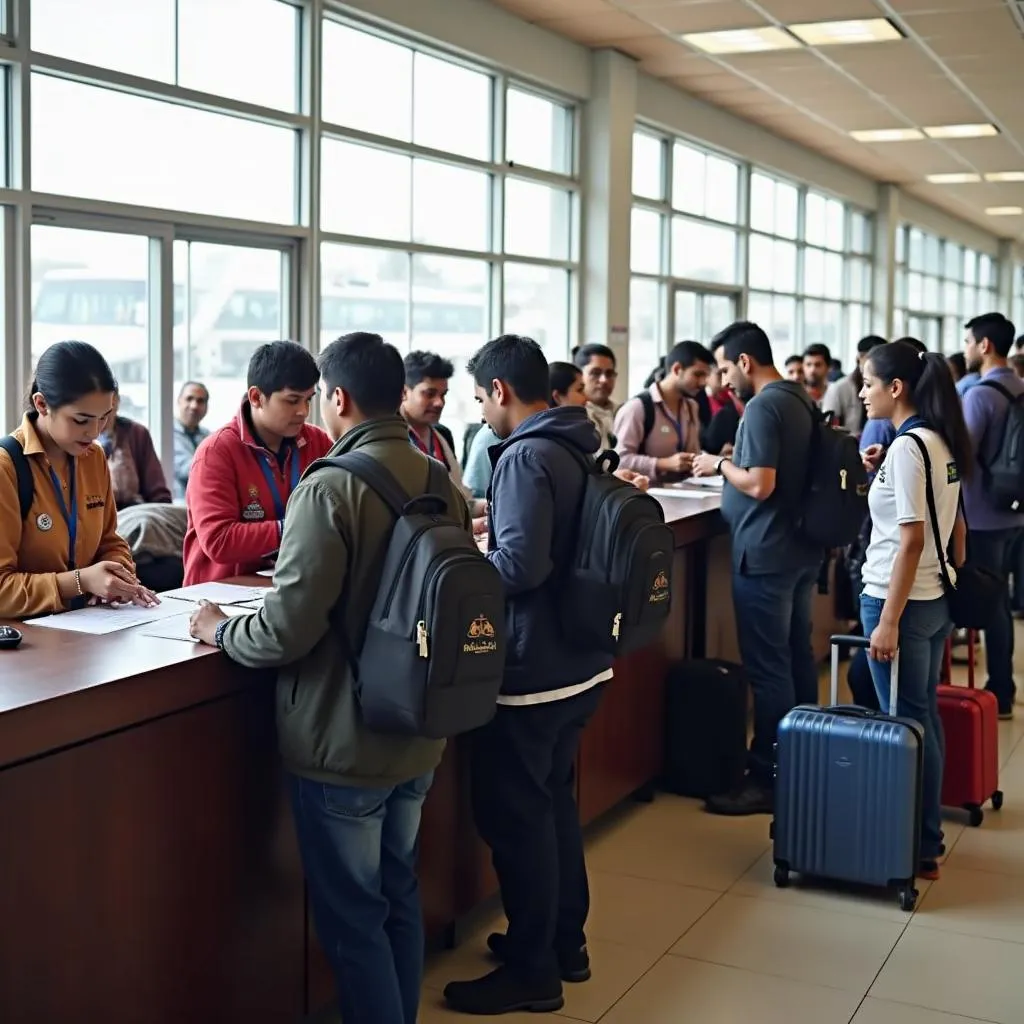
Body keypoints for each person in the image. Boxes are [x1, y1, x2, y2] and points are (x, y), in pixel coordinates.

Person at [189, 332, 472, 1024]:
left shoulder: (334, 485)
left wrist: (221, 629)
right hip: (419, 728)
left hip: (343, 743)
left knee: (353, 921)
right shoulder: (441, 478)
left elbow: (287, 627)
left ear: (338, 398)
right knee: (397, 896)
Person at [443, 335, 611, 1016]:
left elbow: (519, 568)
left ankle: (534, 968)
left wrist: (457, 566)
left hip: (533, 667)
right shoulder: (578, 438)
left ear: (501, 390)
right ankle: (563, 942)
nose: (481, 412)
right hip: (580, 661)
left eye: (480, 397)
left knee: (516, 817)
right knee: (552, 808)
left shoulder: (524, 456)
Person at [691, 322, 821, 816]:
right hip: (798, 550)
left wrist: (717, 465)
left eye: (725, 368)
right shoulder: (799, 397)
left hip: (766, 555)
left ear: (745, 362)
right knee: (795, 660)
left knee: (769, 671)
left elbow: (761, 484)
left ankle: (768, 778)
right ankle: (804, 762)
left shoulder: (766, 405)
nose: (724, 380)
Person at [858, 341, 970, 879]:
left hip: (896, 599)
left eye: (868, 383)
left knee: (904, 724)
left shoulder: (908, 449)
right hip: (935, 598)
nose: (862, 392)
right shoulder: (936, 442)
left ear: (895, 387)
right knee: (922, 715)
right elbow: (959, 533)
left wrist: (887, 620)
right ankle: (928, 837)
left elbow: (909, 540)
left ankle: (916, 843)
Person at [0, 341, 158, 619]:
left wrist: (116, 573)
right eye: (81, 420)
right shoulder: (7, 467)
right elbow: (2, 590)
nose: (95, 432)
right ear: (42, 404)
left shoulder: (93, 457)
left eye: (104, 418)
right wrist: (80, 582)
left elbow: (110, 541)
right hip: (25, 645)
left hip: (88, 631)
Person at [182, 341, 333, 585]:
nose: (303, 411)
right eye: (292, 400)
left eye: (309, 400)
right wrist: (293, 529)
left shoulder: (317, 442)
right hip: (219, 597)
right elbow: (218, 540)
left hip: (290, 588)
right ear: (256, 397)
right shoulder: (216, 452)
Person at [960, 312, 1022, 719]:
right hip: (1014, 512)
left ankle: (999, 687)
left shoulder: (981, 395)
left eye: (968, 341)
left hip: (983, 516)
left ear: (984, 345)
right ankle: (1002, 683)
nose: (965, 348)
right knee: (999, 599)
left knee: (993, 604)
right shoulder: (1020, 385)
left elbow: (961, 456)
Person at [401, 351, 487, 529]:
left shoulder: (442, 436)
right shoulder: (394, 441)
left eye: (443, 395)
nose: (439, 402)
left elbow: (460, 501)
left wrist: (491, 507)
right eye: (429, 394)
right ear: (404, 392)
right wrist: (470, 526)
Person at [612, 340, 711, 484]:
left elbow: (693, 452)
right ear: (677, 369)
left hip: (685, 493)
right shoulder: (637, 408)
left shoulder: (691, 406)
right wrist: (663, 463)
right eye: (697, 374)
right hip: (644, 496)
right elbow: (620, 460)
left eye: (706, 376)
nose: (703, 382)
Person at [97, 388, 172, 509]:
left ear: (116, 401)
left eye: (111, 399)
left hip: (136, 510)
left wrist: (163, 514)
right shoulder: (76, 437)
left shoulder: (136, 433)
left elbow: (157, 491)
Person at [822, 335, 885, 435]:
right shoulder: (839, 388)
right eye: (872, 358)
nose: (877, 364)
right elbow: (828, 428)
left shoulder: (885, 386)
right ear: (859, 358)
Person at [572, 343, 620, 450]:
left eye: (609, 373)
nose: (604, 380)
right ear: (579, 376)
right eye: (595, 373)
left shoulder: (624, 411)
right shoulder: (573, 417)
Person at [173, 381, 210, 501]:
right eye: (189, 399)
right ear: (179, 401)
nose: (194, 405)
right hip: (175, 503)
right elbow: (186, 469)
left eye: (200, 401)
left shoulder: (209, 436)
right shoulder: (165, 435)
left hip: (205, 502)